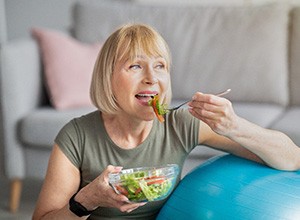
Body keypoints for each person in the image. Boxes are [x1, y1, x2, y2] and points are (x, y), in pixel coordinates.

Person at [32, 23, 300, 220]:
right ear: (107, 78)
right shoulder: (76, 136)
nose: (152, 78)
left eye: (160, 66)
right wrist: (87, 200)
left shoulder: (180, 123)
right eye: (135, 66)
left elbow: (292, 158)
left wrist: (235, 126)